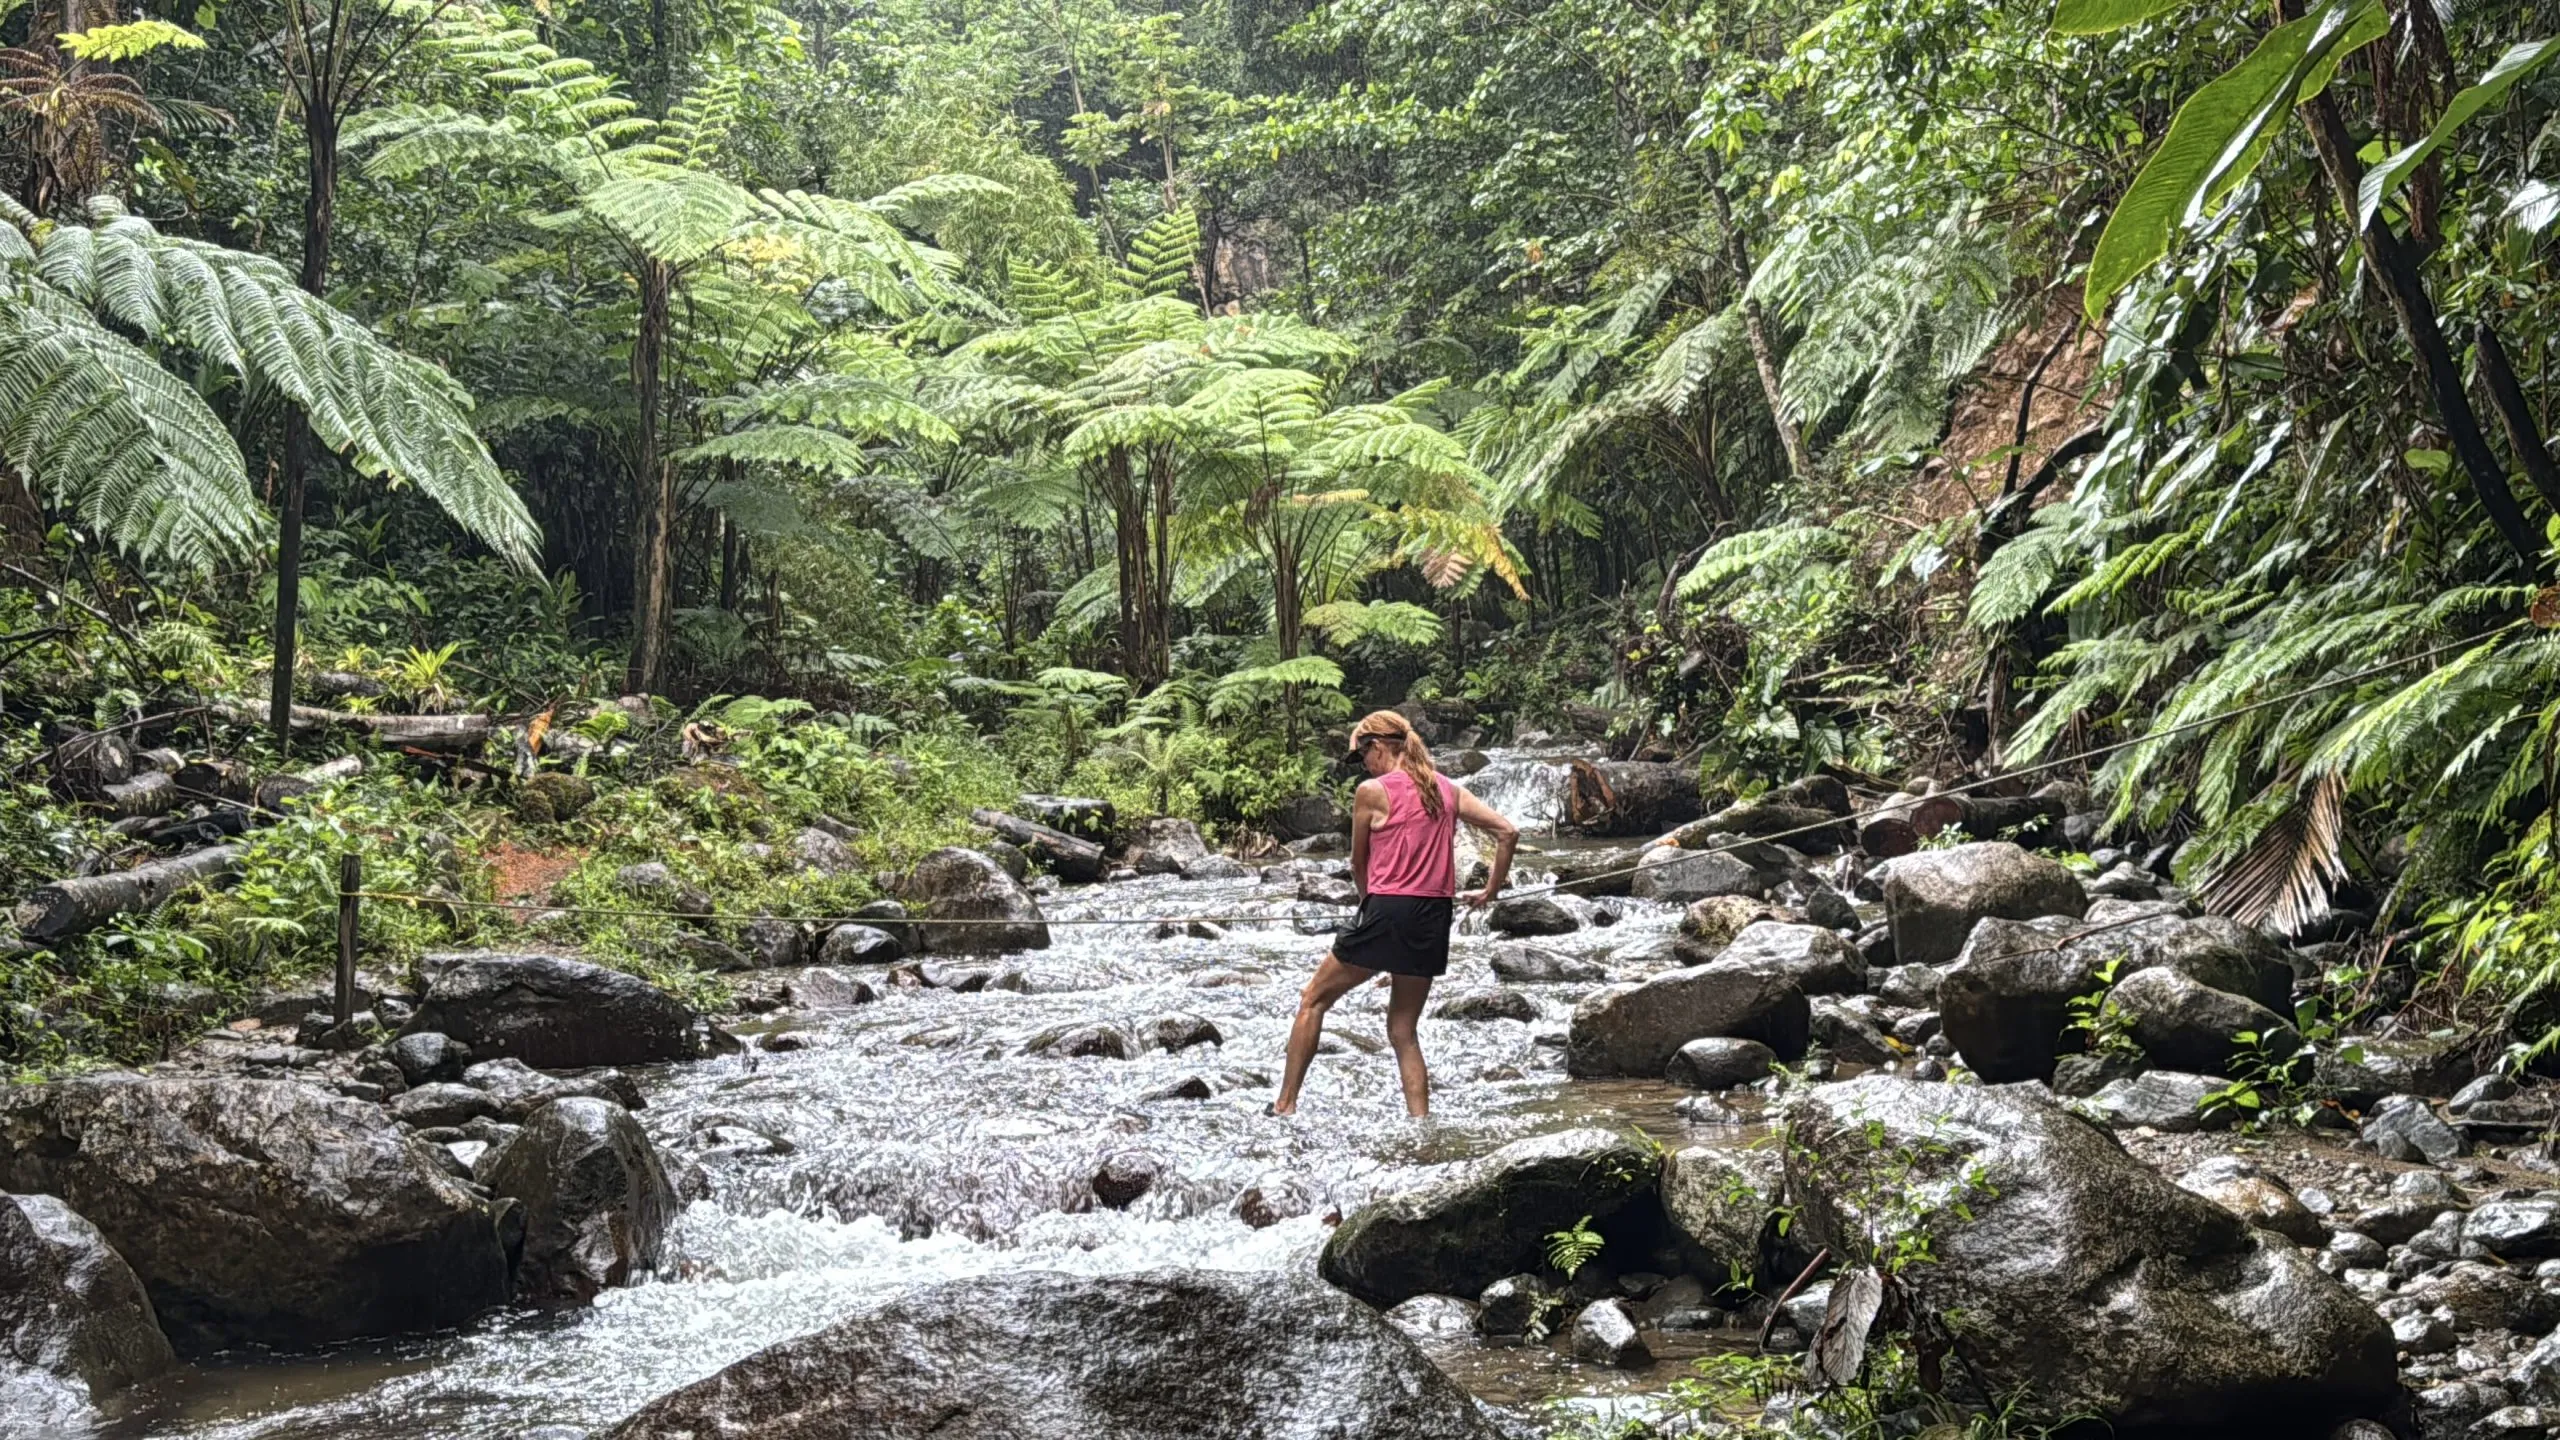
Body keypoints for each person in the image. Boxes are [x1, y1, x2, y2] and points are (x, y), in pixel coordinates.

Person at [1271, 710, 1520, 1118]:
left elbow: (1357, 864)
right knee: (1403, 1031)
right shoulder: (1449, 791)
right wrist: (1491, 890)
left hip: (1387, 909)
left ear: (1379, 747)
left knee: (1312, 1000)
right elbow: (1508, 832)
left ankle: (1284, 1106)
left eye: (1363, 756)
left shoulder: (1373, 792)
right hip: (1433, 916)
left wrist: (1373, 920)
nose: (1363, 766)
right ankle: (1420, 1124)